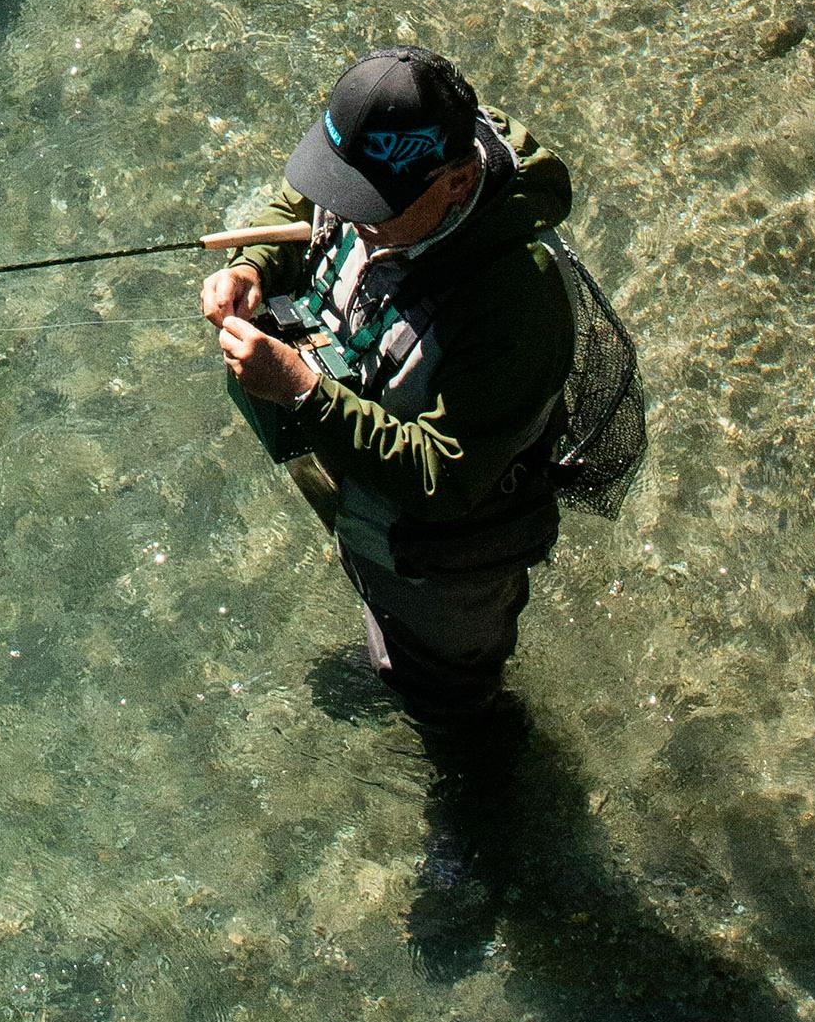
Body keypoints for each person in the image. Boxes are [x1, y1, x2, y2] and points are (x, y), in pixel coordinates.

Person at [207, 44, 583, 738]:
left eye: (371, 205)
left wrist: (303, 393)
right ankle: (396, 652)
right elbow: (299, 201)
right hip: (370, 500)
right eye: (342, 187)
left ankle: (479, 756)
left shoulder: (517, 306)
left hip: (444, 558)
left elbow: (443, 477)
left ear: (459, 183)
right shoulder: (386, 169)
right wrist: (254, 264)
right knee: (395, 637)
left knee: (452, 699)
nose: (347, 216)